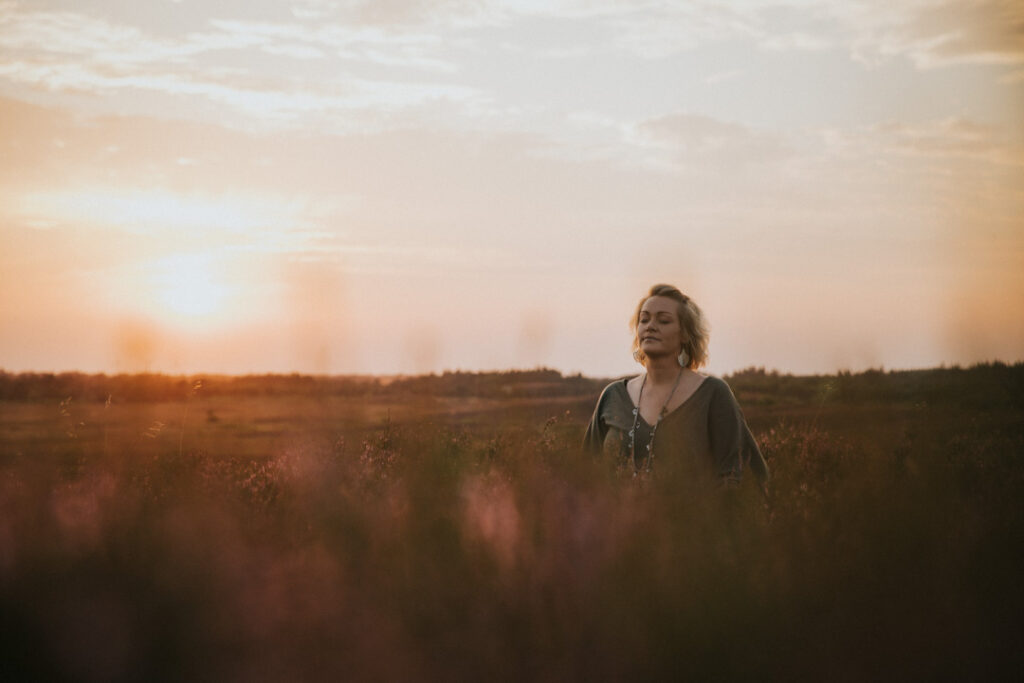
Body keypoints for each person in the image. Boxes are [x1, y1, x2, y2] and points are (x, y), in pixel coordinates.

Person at [583, 284, 768, 490]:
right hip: (615, 522)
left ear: (685, 335)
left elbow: (737, 476)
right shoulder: (613, 396)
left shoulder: (713, 394)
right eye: (644, 320)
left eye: (663, 321)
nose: (650, 326)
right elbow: (586, 473)